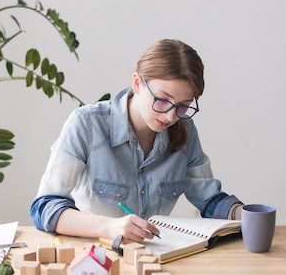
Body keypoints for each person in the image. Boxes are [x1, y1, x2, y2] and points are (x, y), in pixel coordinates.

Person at [30, 39, 243, 244]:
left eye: (182, 106)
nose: (170, 117)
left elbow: (208, 200)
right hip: (96, 258)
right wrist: (109, 227)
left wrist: (243, 214)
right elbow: (45, 207)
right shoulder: (86, 124)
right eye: (162, 100)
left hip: (156, 258)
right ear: (137, 83)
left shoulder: (185, 130)